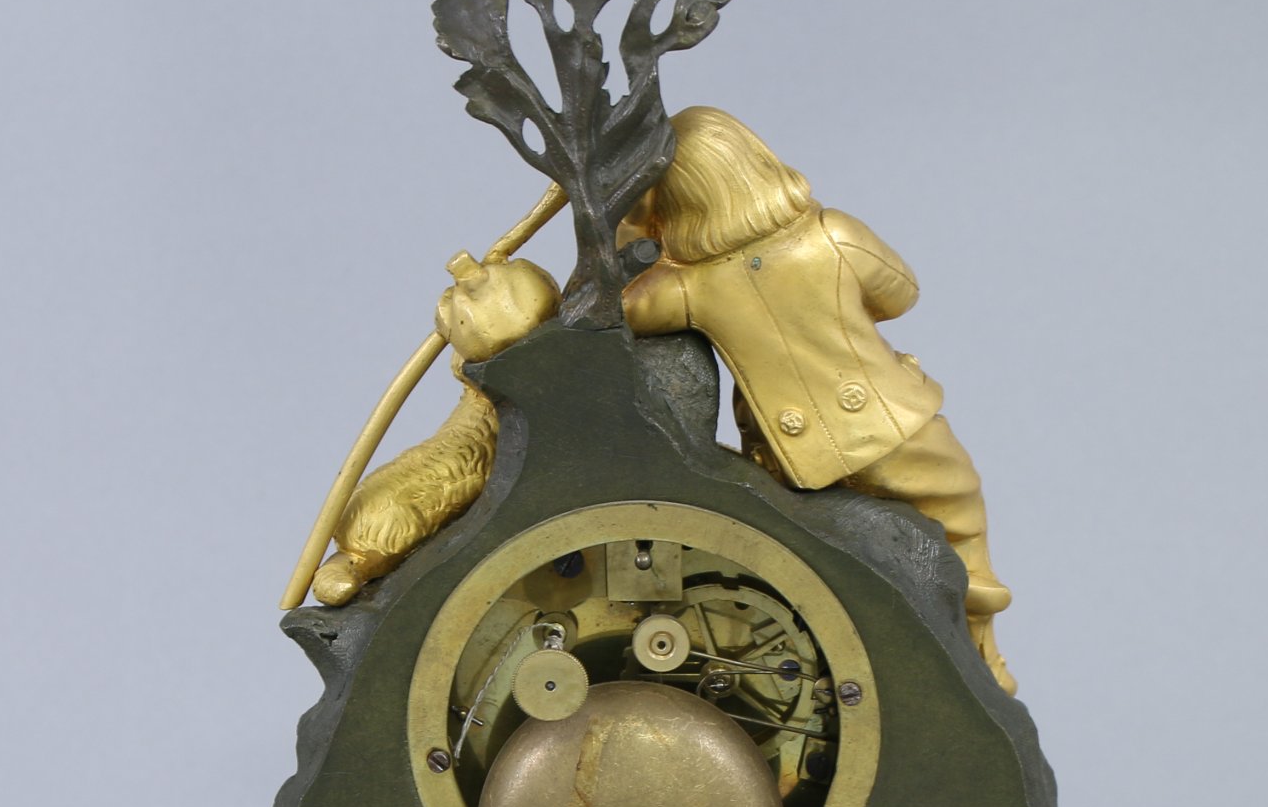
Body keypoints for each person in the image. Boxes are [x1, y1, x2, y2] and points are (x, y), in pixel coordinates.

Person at [619, 107, 1015, 692]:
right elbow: (901, 294)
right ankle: (984, 657)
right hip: (895, 426)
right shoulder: (835, 236)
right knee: (961, 523)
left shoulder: (690, 285)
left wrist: (635, 220)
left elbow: (623, 306)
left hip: (793, 457)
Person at [312, 249, 560, 606]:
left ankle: (354, 564)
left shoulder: (490, 359)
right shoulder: (375, 521)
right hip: (387, 517)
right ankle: (355, 565)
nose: (468, 274)